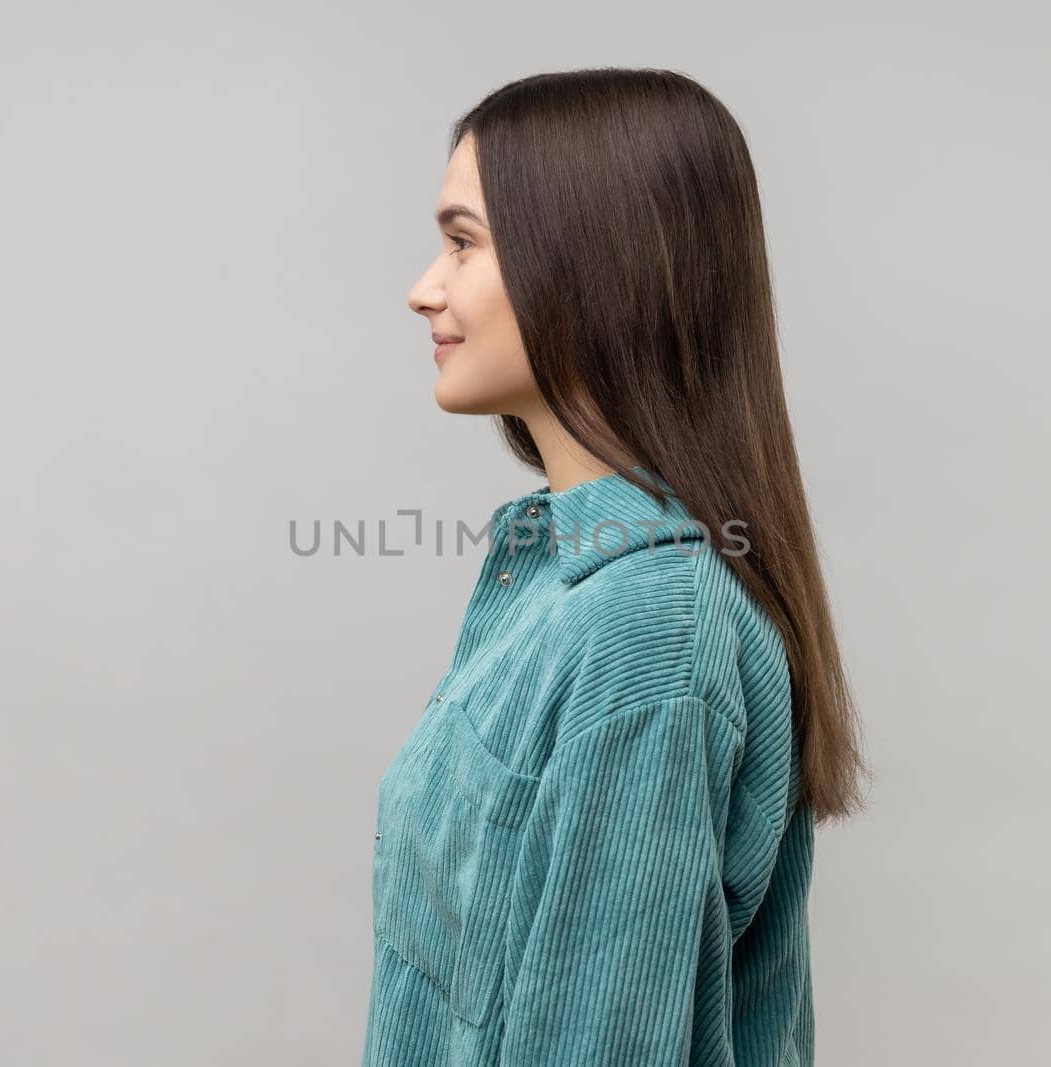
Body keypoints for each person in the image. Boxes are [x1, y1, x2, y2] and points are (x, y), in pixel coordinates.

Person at [364, 67, 871, 1067]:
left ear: (584, 262)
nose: (424, 286)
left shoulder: (643, 625)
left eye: (463, 242)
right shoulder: (560, 580)